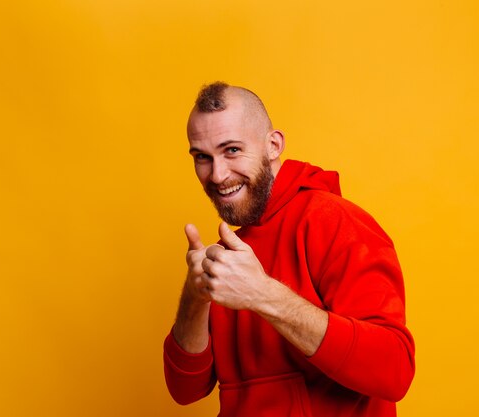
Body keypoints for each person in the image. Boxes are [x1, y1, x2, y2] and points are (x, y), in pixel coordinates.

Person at [163, 82, 415, 417]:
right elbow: (186, 390)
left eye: (232, 150)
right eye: (203, 157)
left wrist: (264, 294)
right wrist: (195, 297)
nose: (218, 174)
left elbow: (394, 370)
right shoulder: (232, 257)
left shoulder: (334, 221)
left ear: (272, 145)